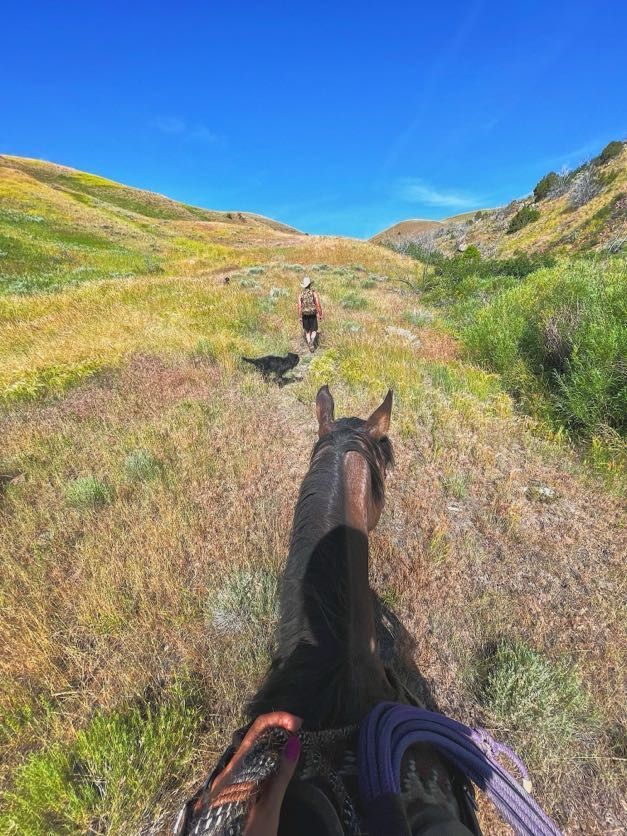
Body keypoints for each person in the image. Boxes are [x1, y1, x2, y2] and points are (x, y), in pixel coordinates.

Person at [297, 276, 323, 351]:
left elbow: (299, 307)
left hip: (304, 314)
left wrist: (300, 317)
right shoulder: (313, 293)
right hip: (313, 314)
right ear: (310, 285)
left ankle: (309, 343)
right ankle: (312, 340)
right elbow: (318, 304)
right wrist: (320, 314)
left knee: (307, 331)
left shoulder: (300, 294)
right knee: (314, 330)